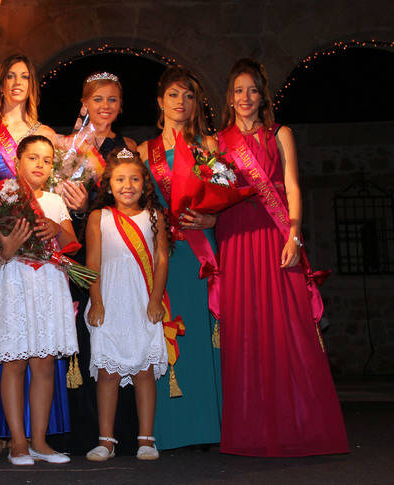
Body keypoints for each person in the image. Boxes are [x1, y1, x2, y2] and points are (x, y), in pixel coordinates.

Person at [215, 58, 348, 456]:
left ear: (263, 95)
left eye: (252, 89)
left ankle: (302, 427)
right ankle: (251, 432)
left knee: (291, 325)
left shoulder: (280, 134)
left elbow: (291, 186)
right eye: (238, 90)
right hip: (236, 237)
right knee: (245, 329)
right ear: (229, 96)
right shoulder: (218, 142)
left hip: (275, 236)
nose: (245, 98)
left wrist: (294, 234)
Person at [0, 54, 69, 452]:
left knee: (37, 341)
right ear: (0, 83)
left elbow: (61, 192)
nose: (18, 82)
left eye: (25, 76)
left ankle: (34, 435)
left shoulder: (47, 134)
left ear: (34, 84)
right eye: (11, 76)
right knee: (3, 338)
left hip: (38, 249)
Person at [136, 66, 223, 451]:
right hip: (164, 255)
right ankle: (170, 429)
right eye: (174, 94)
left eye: (189, 96)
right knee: (168, 333)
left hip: (203, 250)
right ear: (160, 101)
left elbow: (226, 197)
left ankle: (212, 426)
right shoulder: (144, 151)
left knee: (206, 335)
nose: (181, 103)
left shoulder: (212, 145)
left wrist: (213, 217)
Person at [0, 135, 78, 465]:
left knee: (44, 365)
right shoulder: (1, 199)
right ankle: (18, 442)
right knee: (15, 363)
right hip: (13, 283)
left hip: (48, 286)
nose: (40, 164)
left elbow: (71, 242)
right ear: (18, 161)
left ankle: (39, 441)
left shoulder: (54, 200)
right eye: (33, 157)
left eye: (47, 160)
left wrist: (56, 228)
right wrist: (7, 251)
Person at [64, 72, 140, 456]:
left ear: (120, 106)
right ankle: (84, 429)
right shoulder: (71, 145)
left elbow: (134, 197)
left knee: (117, 328)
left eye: (112, 100)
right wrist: (75, 209)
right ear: (85, 104)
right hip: (79, 249)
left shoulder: (127, 147)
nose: (105, 107)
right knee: (82, 333)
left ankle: (122, 430)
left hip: (117, 249)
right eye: (98, 100)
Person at [83, 147, 170, 462]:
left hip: (143, 301)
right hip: (109, 301)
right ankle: (106, 440)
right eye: (120, 179)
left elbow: (161, 260)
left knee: (145, 371)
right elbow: (92, 263)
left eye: (134, 178)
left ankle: (146, 438)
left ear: (145, 184)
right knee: (108, 373)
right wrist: (96, 302)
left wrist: (156, 299)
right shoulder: (98, 218)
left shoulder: (154, 216)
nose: (127, 185)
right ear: (108, 185)